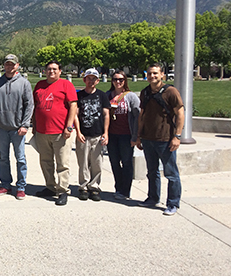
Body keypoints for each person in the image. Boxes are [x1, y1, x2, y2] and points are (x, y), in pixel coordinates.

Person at [136, 63, 184, 216]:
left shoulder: (171, 92)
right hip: (148, 138)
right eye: (150, 73)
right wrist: (138, 136)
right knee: (152, 171)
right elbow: (142, 116)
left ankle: (173, 203)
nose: (152, 76)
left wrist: (177, 136)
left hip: (166, 139)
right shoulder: (145, 93)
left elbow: (180, 114)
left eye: (155, 73)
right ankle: (152, 198)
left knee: (171, 174)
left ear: (162, 74)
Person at [32, 60, 77, 206]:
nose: (51, 71)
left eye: (54, 69)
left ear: (60, 71)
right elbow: (35, 106)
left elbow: (73, 106)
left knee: (62, 163)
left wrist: (69, 127)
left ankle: (63, 190)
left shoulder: (66, 85)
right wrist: (34, 124)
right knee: (45, 161)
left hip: (60, 132)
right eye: (49, 69)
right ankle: (50, 187)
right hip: (42, 131)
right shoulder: (39, 85)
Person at [0, 54, 34, 200]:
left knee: (20, 158)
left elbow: (29, 105)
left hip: (18, 128)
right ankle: (5, 184)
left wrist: (25, 124)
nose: (9, 66)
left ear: (17, 65)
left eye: (12, 64)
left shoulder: (23, 83)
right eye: (7, 64)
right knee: (3, 158)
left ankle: (21, 187)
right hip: (2, 127)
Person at [74, 68, 110, 202]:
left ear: (98, 81)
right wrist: (78, 132)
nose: (91, 81)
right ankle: (83, 187)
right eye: (88, 78)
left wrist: (106, 133)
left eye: (94, 78)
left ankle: (94, 187)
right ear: (84, 80)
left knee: (97, 163)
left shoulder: (102, 95)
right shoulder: (79, 95)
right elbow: (75, 115)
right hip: (83, 135)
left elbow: (106, 115)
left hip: (97, 135)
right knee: (83, 162)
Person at [107, 71, 140, 200]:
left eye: (121, 79)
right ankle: (118, 188)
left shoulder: (131, 97)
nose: (118, 82)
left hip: (126, 135)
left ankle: (126, 191)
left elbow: (138, 116)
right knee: (114, 162)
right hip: (112, 135)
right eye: (115, 79)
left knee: (126, 162)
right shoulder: (107, 95)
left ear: (125, 80)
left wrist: (136, 136)